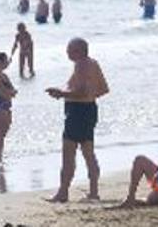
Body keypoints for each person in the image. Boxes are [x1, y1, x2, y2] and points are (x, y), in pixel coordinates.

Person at [45, 37, 110, 202]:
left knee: (69, 153)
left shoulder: (81, 64)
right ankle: (93, 192)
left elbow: (80, 90)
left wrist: (61, 94)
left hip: (78, 112)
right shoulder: (93, 63)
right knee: (88, 153)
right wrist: (81, 95)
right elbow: (103, 89)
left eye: (70, 49)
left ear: (80, 51)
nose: (67, 52)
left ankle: (63, 192)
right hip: (89, 109)